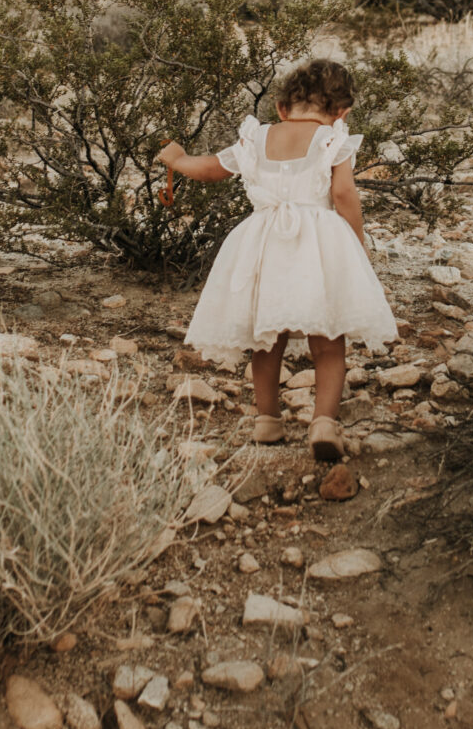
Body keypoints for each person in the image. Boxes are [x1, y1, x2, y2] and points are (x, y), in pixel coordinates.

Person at [156, 58, 396, 461]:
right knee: (329, 335)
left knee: (266, 336)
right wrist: (356, 241)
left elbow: (214, 169)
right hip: (319, 244)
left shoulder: (257, 137)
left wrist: (179, 161)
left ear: (282, 108)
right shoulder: (333, 141)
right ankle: (323, 422)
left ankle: (267, 420)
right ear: (342, 113)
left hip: (262, 242)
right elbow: (343, 196)